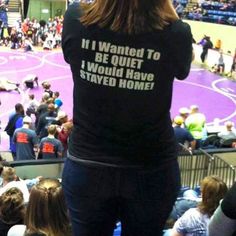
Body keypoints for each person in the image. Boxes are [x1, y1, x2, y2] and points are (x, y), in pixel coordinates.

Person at [62, 0, 193, 235]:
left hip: (88, 165)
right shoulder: (176, 33)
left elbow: (70, 55)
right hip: (150, 167)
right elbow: (182, 69)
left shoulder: (76, 18)